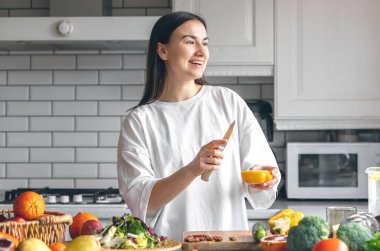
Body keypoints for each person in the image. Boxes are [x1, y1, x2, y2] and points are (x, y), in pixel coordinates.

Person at [117, 11, 280, 241]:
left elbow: (258, 174)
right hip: (171, 245)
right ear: (163, 50)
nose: (202, 52)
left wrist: (265, 181)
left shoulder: (228, 101)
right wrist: (193, 168)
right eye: (190, 42)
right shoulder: (140, 121)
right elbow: (143, 200)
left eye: (205, 43)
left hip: (227, 244)